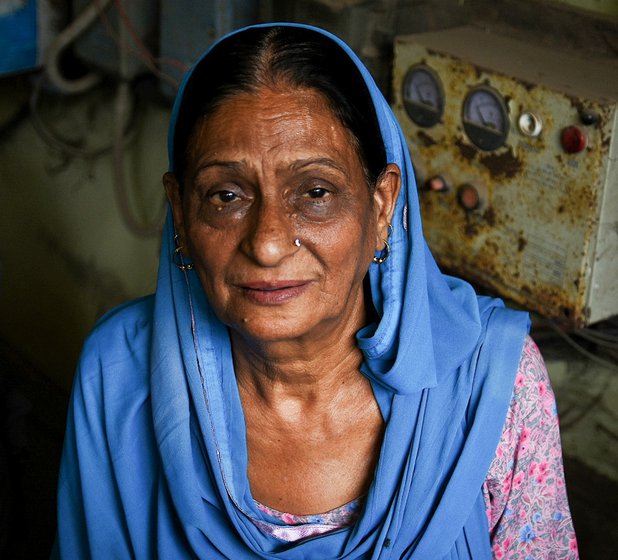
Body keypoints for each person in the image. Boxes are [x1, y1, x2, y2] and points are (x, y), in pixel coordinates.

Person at [54, 23, 578, 559]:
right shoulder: (117, 373)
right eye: (227, 195)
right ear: (183, 215)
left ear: (381, 207)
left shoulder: (492, 383)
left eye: (316, 192)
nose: (269, 243)